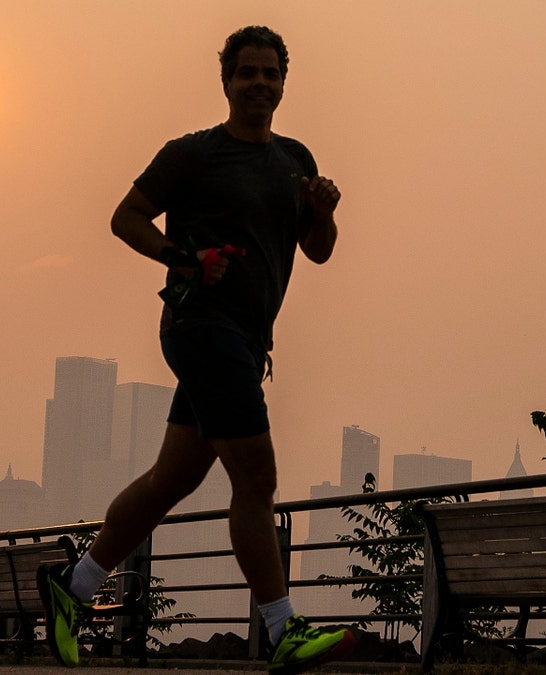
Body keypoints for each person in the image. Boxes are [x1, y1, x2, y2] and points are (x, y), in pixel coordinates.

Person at [36, 25, 353, 672]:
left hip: (245, 340)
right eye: (248, 73)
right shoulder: (194, 154)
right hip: (202, 329)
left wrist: (322, 211)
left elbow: (317, 251)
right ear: (227, 81)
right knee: (256, 479)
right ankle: (284, 628)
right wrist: (182, 258)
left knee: (172, 478)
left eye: (271, 74)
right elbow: (125, 216)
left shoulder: (296, 158)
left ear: (284, 83)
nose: (259, 84)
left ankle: (73, 589)